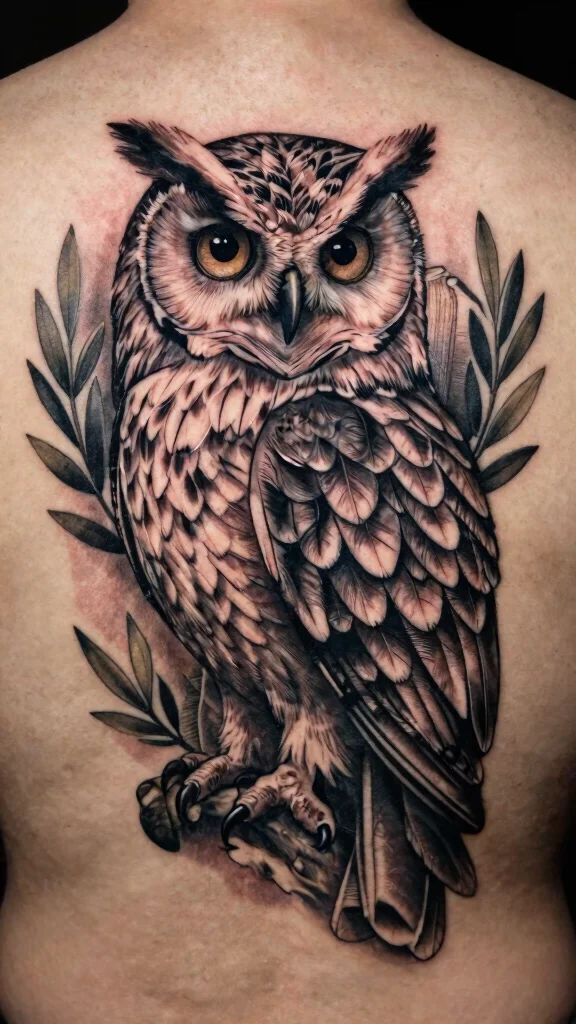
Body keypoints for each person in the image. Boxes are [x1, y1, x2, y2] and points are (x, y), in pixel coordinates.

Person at [0, 1, 575, 1021]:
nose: (292, 306)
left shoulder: (330, 437)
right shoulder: (561, 162)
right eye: (225, 251)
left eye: (344, 258)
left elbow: (375, 674)